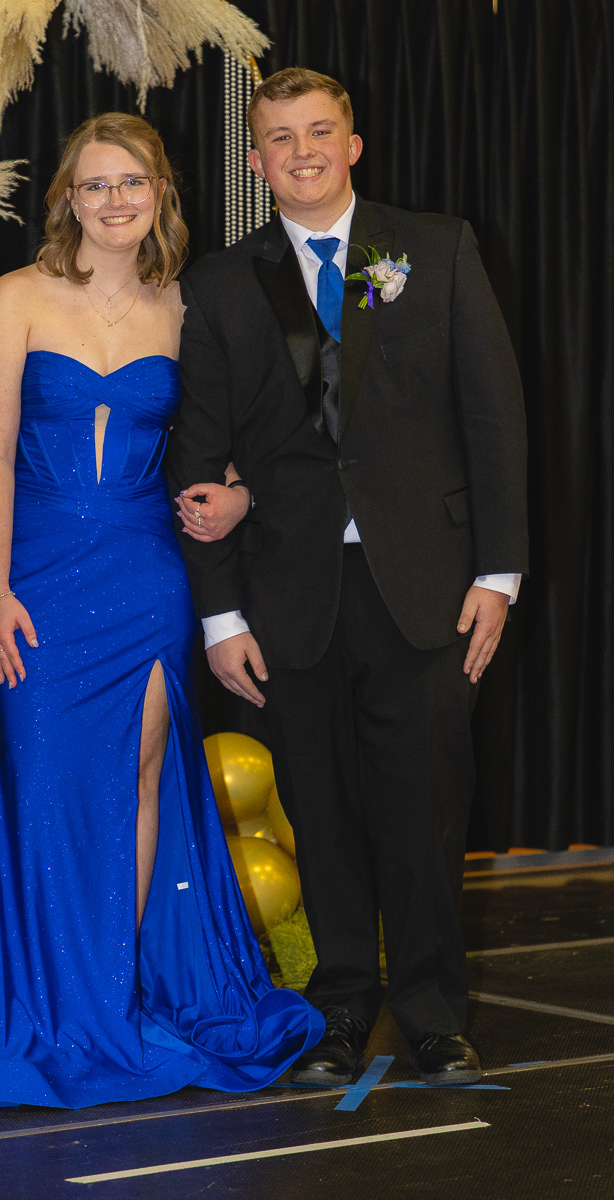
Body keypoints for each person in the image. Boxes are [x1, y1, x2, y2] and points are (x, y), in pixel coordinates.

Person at [0, 112, 323, 1108]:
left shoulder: (183, 306)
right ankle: (53, 1001)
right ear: (66, 199)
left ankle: (110, 995)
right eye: (94, 185)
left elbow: (242, 434)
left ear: (159, 192)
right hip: (39, 573)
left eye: (132, 184)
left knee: (140, 782)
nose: (114, 201)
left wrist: (238, 492)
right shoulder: (18, 299)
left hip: (147, 573)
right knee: (44, 791)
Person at [168, 68, 528, 1087]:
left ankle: (431, 1018)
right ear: (253, 160)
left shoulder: (430, 248)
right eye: (277, 139)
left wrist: (497, 574)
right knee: (318, 815)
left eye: (317, 132)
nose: (301, 152)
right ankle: (334, 1015)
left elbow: (492, 421)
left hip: (426, 590)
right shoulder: (221, 283)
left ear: (353, 143)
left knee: (423, 815)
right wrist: (220, 615)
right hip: (290, 599)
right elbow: (199, 456)